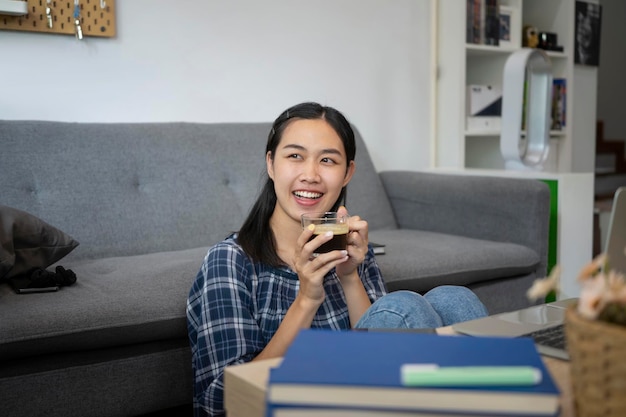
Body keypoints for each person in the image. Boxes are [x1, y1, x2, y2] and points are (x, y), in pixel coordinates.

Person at [186, 102, 488, 416]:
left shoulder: (352, 248)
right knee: (405, 307)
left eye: (328, 160)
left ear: (347, 173)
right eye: (295, 156)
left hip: (356, 397)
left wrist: (349, 276)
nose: (311, 174)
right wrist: (306, 298)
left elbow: (379, 334)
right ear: (272, 164)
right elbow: (220, 402)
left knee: (455, 299)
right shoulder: (231, 261)